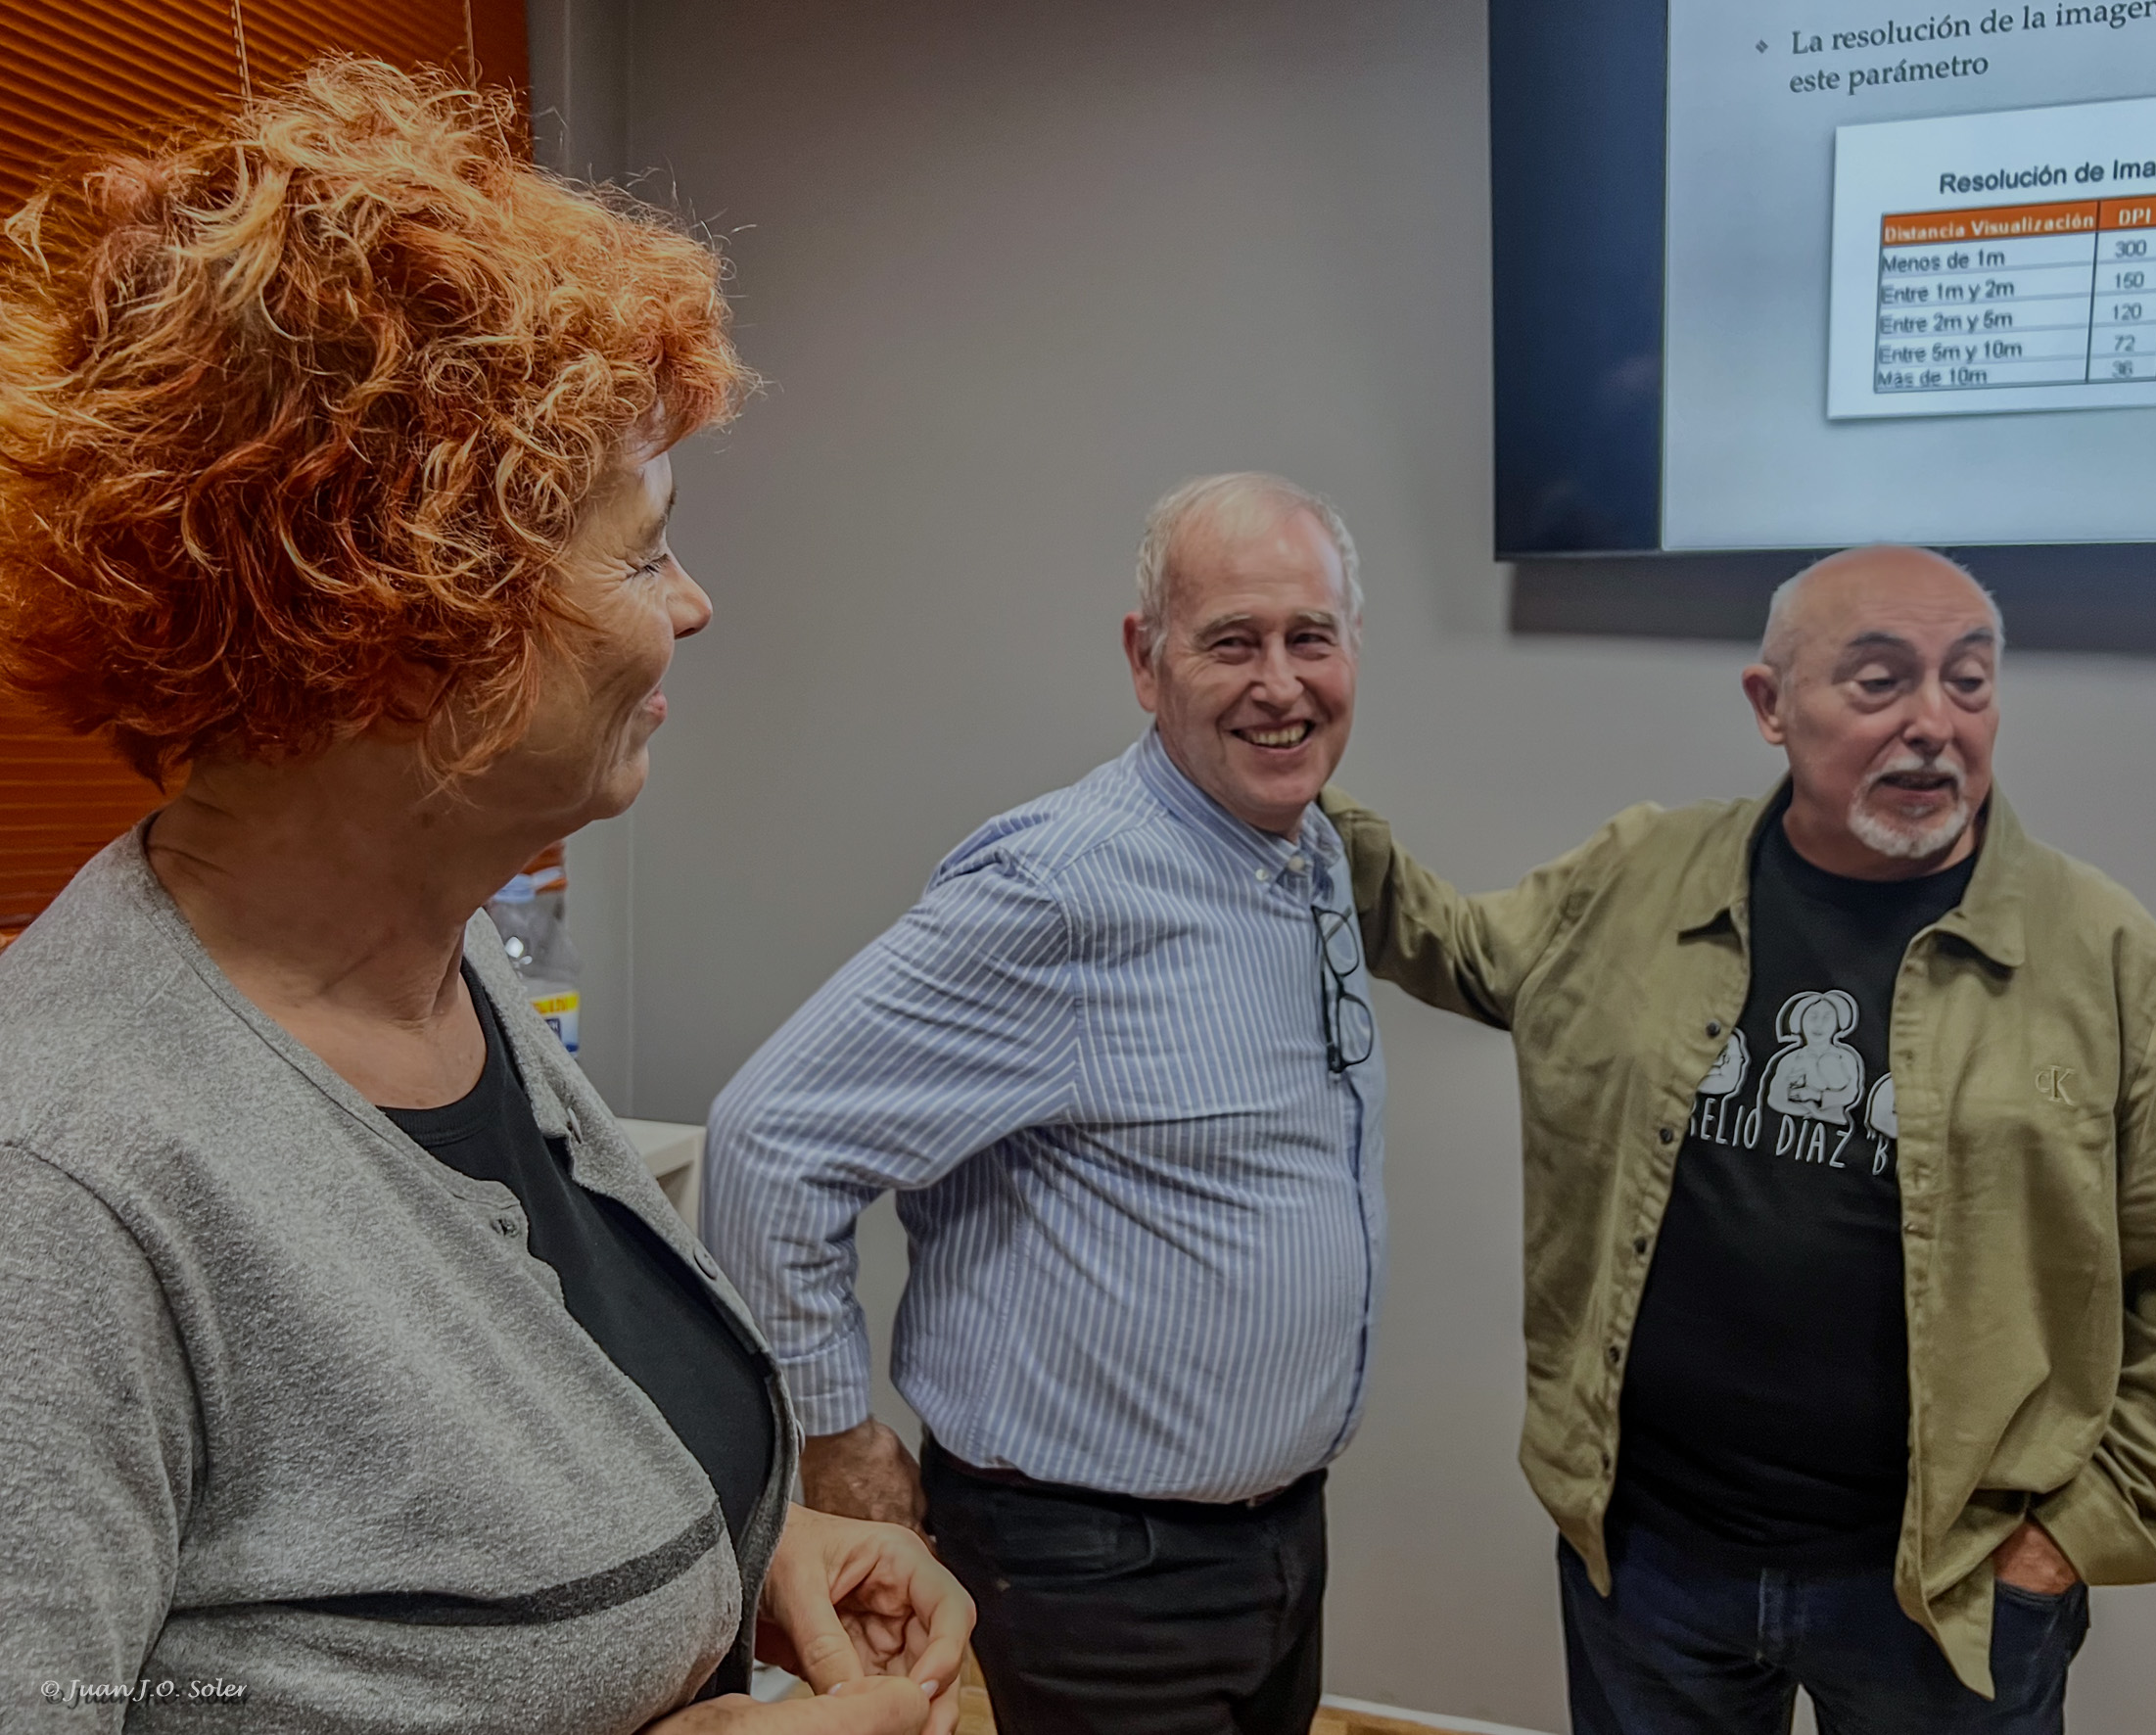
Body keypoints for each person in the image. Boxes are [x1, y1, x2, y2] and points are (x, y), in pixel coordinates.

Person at [0, 62, 969, 1735]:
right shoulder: (62, 1186)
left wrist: (752, 1543)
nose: (690, 605)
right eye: (641, 547)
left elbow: (474, 1514)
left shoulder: (434, 973)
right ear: (401, 614)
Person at [1323, 546, 2156, 1733]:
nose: (1932, 721)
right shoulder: (1638, 873)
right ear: (1769, 704)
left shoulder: (2102, 953)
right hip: (1650, 1562)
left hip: (1941, 1594)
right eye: (1878, 680)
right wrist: (1287, 778)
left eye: (1967, 681)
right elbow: (1455, 945)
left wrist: (2067, 1542)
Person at [706, 473, 1385, 1735]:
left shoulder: (1303, 847)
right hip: (1102, 1569)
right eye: (1230, 641)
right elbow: (769, 1139)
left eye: (1312, 637)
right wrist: (832, 1437)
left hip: (1275, 1537)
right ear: (1144, 659)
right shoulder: (1060, 888)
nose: (1280, 683)